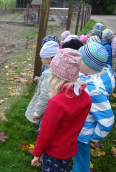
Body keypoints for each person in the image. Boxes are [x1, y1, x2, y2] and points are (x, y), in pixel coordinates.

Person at [31, 48, 92, 171]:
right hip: (69, 149)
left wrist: (37, 153)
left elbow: (46, 132)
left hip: (53, 151)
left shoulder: (56, 103)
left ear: (56, 76)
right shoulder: (86, 98)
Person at [72, 43, 115, 172]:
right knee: (78, 155)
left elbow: (107, 119)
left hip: (82, 131)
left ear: (89, 65)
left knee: (80, 158)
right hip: (80, 128)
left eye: (80, 58)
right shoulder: (94, 75)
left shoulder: (93, 90)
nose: (76, 60)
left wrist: (93, 136)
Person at [26, 41, 59, 131]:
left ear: (49, 59)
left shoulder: (48, 74)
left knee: (45, 124)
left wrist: (37, 112)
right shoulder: (57, 70)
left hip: (46, 108)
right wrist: (41, 79)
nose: (41, 60)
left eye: (42, 58)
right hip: (53, 106)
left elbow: (45, 95)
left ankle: (42, 134)